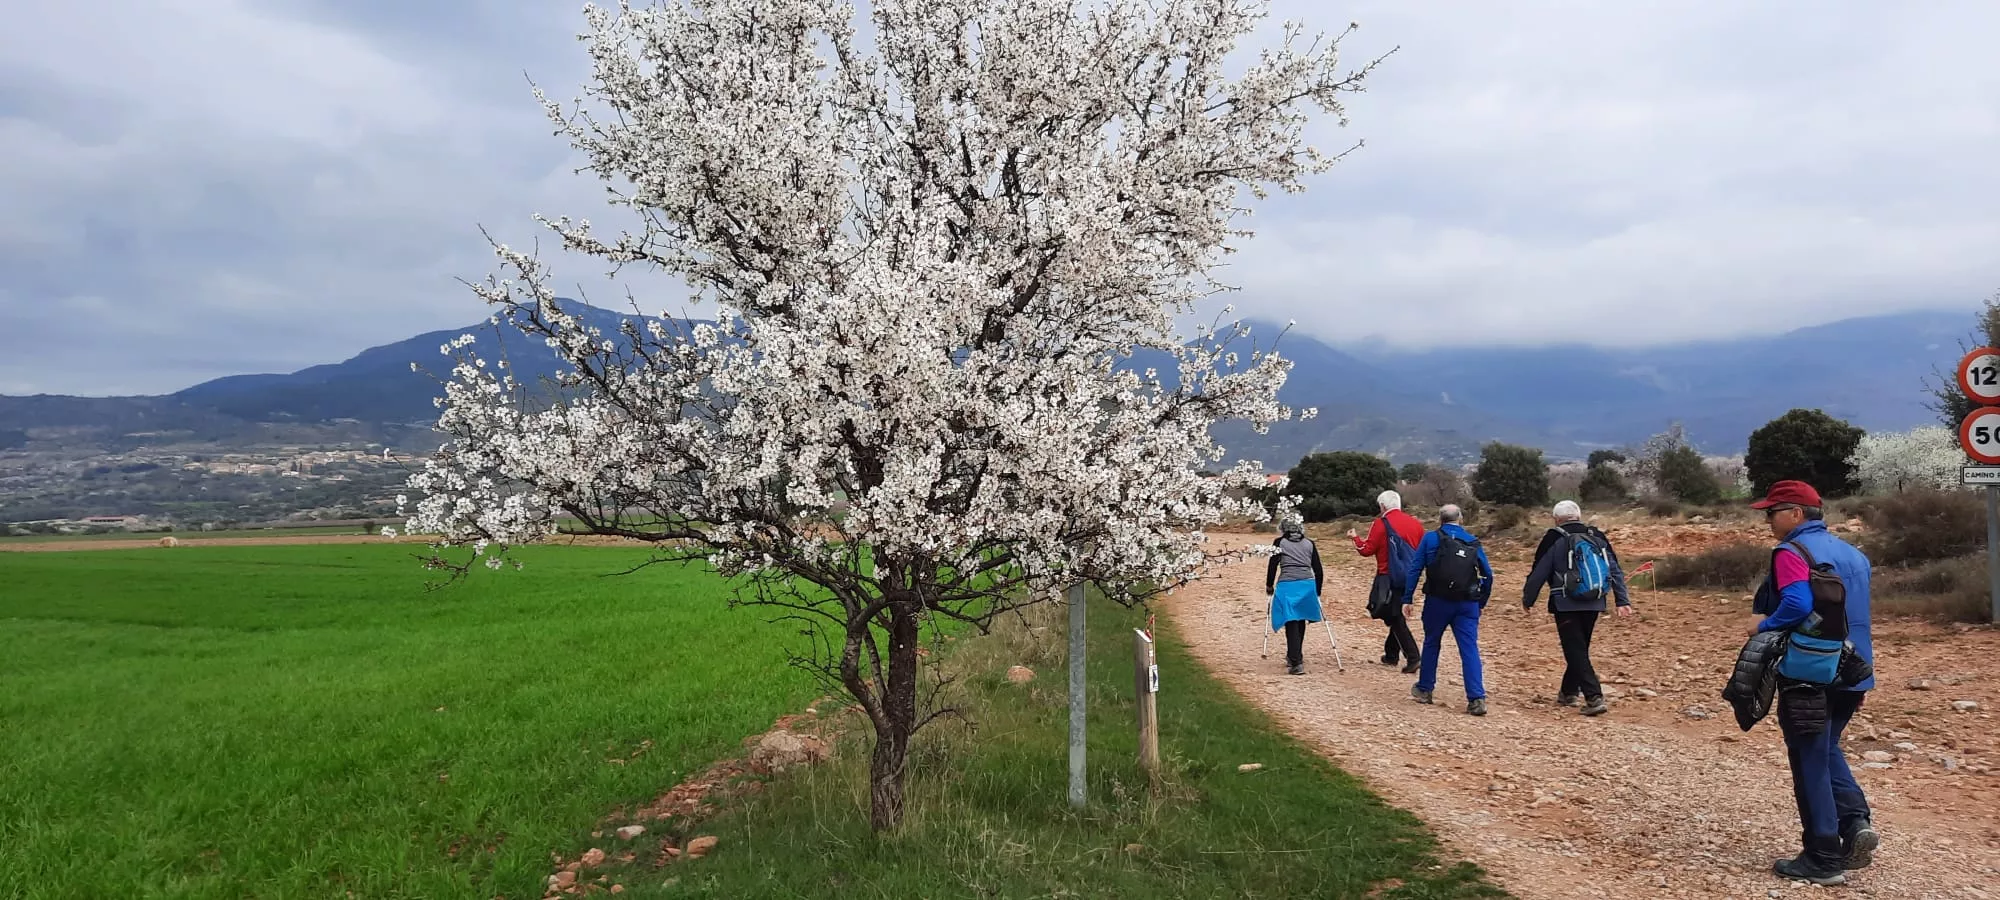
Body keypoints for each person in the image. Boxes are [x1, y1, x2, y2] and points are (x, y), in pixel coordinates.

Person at [1749, 480, 1876, 885]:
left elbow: (1798, 603)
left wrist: (1763, 625)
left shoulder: (1791, 551)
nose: (1768, 520)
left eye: (1772, 512)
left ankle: (1823, 858)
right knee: (1825, 746)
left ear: (1795, 514)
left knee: (1809, 758)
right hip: (1855, 670)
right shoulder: (1854, 554)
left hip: (1810, 672)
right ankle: (1855, 822)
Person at [1522, 500, 1633, 716]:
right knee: (1579, 648)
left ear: (1556, 519)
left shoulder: (1553, 537)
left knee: (1575, 650)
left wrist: (1528, 599)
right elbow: (1615, 569)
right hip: (1595, 600)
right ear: (1579, 516)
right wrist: (1622, 600)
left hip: (1565, 603)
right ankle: (1568, 691)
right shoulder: (1597, 536)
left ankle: (1594, 697)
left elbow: (1539, 571)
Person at [1401, 504, 1494, 716]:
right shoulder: (1472, 540)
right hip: (1467, 602)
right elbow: (1488, 574)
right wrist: (1481, 602)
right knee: (1469, 648)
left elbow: (1415, 569)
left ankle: (1425, 689)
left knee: (1432, 642)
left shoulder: (1430, 539)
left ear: (1440, 519)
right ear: (1460, 518)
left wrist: (1408, 598)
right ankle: (1476, 698)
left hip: (1437, 600)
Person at [1348, 490, 1424, 673]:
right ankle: (1391, 654)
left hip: (1388, 575)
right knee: (1394, 610)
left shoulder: (1381, 523)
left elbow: (1366, 550)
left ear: (1382, 506)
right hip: (1411, 575)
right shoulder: (1416, 524)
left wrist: (1354, 538)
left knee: (1392, 615)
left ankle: (1413, 657)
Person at [1265, 519, 1326, 675]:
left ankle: (1296, 661)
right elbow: (1318, 570)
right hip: (1307, 585)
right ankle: (1295, 655)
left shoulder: (1279, 542)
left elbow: (1273, 565)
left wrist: (1269, 585)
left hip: (1287, 585)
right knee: (1300, 619)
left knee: (1291, 620)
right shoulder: (1310, 543)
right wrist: (1317, 591)